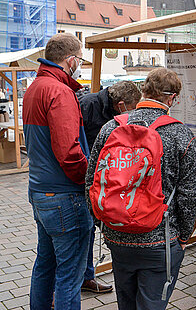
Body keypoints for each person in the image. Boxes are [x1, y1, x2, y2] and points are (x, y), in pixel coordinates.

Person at [85, 68, 196, 309]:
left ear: (144, 91)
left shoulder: (110, 128)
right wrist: (183, 236)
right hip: (160, 239)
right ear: (172, 99)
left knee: (125, 303)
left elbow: (91, 182)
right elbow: (188, 194)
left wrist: (104, 223)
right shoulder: (180, 134)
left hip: (117, 236)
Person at [23, 33, 92, 310]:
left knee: (45, 265)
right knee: (69, 277)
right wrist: (90, 180)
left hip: (40, 192)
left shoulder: (35, 86)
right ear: (71, 60)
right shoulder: (59, 92)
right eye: (81, 60)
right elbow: (70, 153)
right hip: (65, 196)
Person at [78, 80, 141, 293]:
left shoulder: (115, 109)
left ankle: (87, 277)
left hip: (107, 178)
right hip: (85, 177)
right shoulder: (87, 105)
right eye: (132, 108)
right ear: (121, 104)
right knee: (84, 229)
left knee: (90, 230)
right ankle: (77, 279)